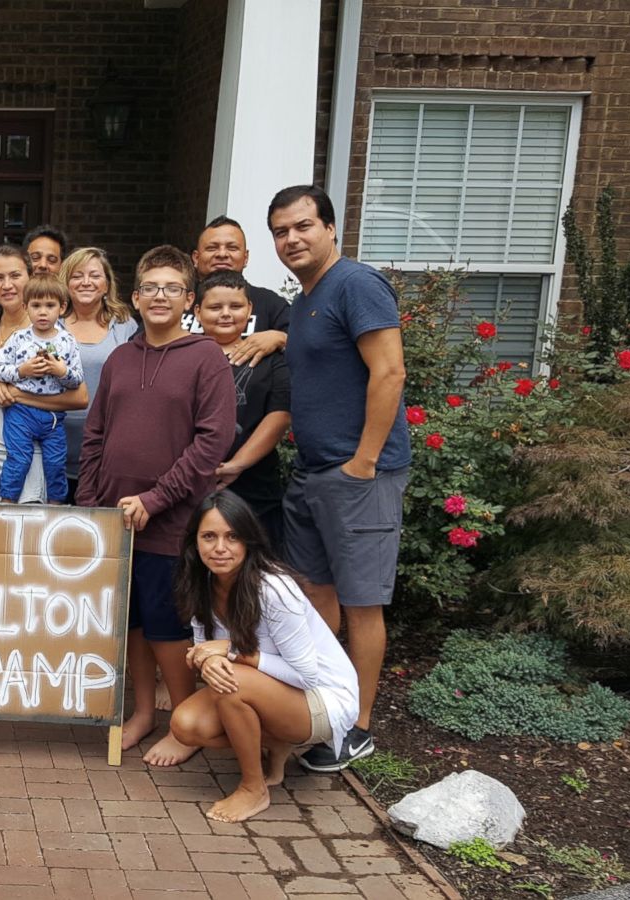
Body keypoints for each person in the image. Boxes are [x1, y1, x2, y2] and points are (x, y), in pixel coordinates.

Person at [268, 184, 409, 773]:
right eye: (281, 231)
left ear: (329, 228)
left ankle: (358, 727)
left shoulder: (356, 283)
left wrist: (365, 461)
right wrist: (275, 337)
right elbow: (321, 356)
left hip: (358, 475)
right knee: (315, 595)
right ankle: (325, 706)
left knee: (362, 603)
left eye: (303, 226)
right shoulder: (306, 301)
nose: (292, 239)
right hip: (312, 472)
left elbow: (390, 370)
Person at [78, 244, 235, 767]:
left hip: (171, 517)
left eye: (172, 288)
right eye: (151, 287)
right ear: (137, 297)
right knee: (133, 624)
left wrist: (156, 497)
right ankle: (141, 713)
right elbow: (96, 433)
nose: (160, 296)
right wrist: (90, 506)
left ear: (188, 298)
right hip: (115, 519)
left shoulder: (205, 357)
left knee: (168, 625)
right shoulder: (123, 357)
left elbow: (212, 442)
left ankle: (183, 724)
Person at [168, 491, 359, 823]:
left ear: (248, 541)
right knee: (185, 725)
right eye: (209, 537)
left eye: (232, 537)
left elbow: (305, 675)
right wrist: (208, 660)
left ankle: (254, 790)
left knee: (232, 683)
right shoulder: (201, 582)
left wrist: (228, 654)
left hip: (323, 699)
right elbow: (203, 649)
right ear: (194, 542)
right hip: (273, 690)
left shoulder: (273, 588)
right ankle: (277, 750)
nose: (220, 548)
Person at [0, 245, 87, 504]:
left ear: (30, 278)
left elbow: (79, 398)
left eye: (15, 276)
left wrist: (15, 394)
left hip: (27, 480)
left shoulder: (54, 336)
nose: (7, 285)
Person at [196, 271, 292, 545]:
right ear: (198, 311)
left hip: (256, 489)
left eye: (235, 306)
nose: (226, 314)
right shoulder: (182, 355)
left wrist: (237, 464)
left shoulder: (270, 359)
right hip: (193, 485)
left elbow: (280, 414)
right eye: (215, 307)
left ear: (249, 309)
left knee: (255, 570)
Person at [0, 276, 82, 504]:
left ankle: (56, 505)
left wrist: (62, 371)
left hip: (53, 417)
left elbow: (77, 380)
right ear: (25, 307)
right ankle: (7, 501)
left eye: (50, 306)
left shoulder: (68, 341)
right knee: (19, 459)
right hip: (20, 412)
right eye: (36, 305)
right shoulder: (18, 339)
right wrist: (22, 371)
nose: (43, 312)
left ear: (62, 308)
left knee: (55, 462)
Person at [59, 247, 139, 500]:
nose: (85, 282)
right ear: (66, 283)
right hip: (54, 442)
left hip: (106, 446)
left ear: (106, 285)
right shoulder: (49, 323)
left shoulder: (125, 325)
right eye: (77, 275)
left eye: (94, 275)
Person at [184, 216, 292, 368]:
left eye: (232, 248)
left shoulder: (270, 303)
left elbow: (306, 344)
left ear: (245, 257)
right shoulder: (178, 300)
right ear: (196, 258)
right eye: (212, 248)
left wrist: (279, 338)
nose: (222, 254)